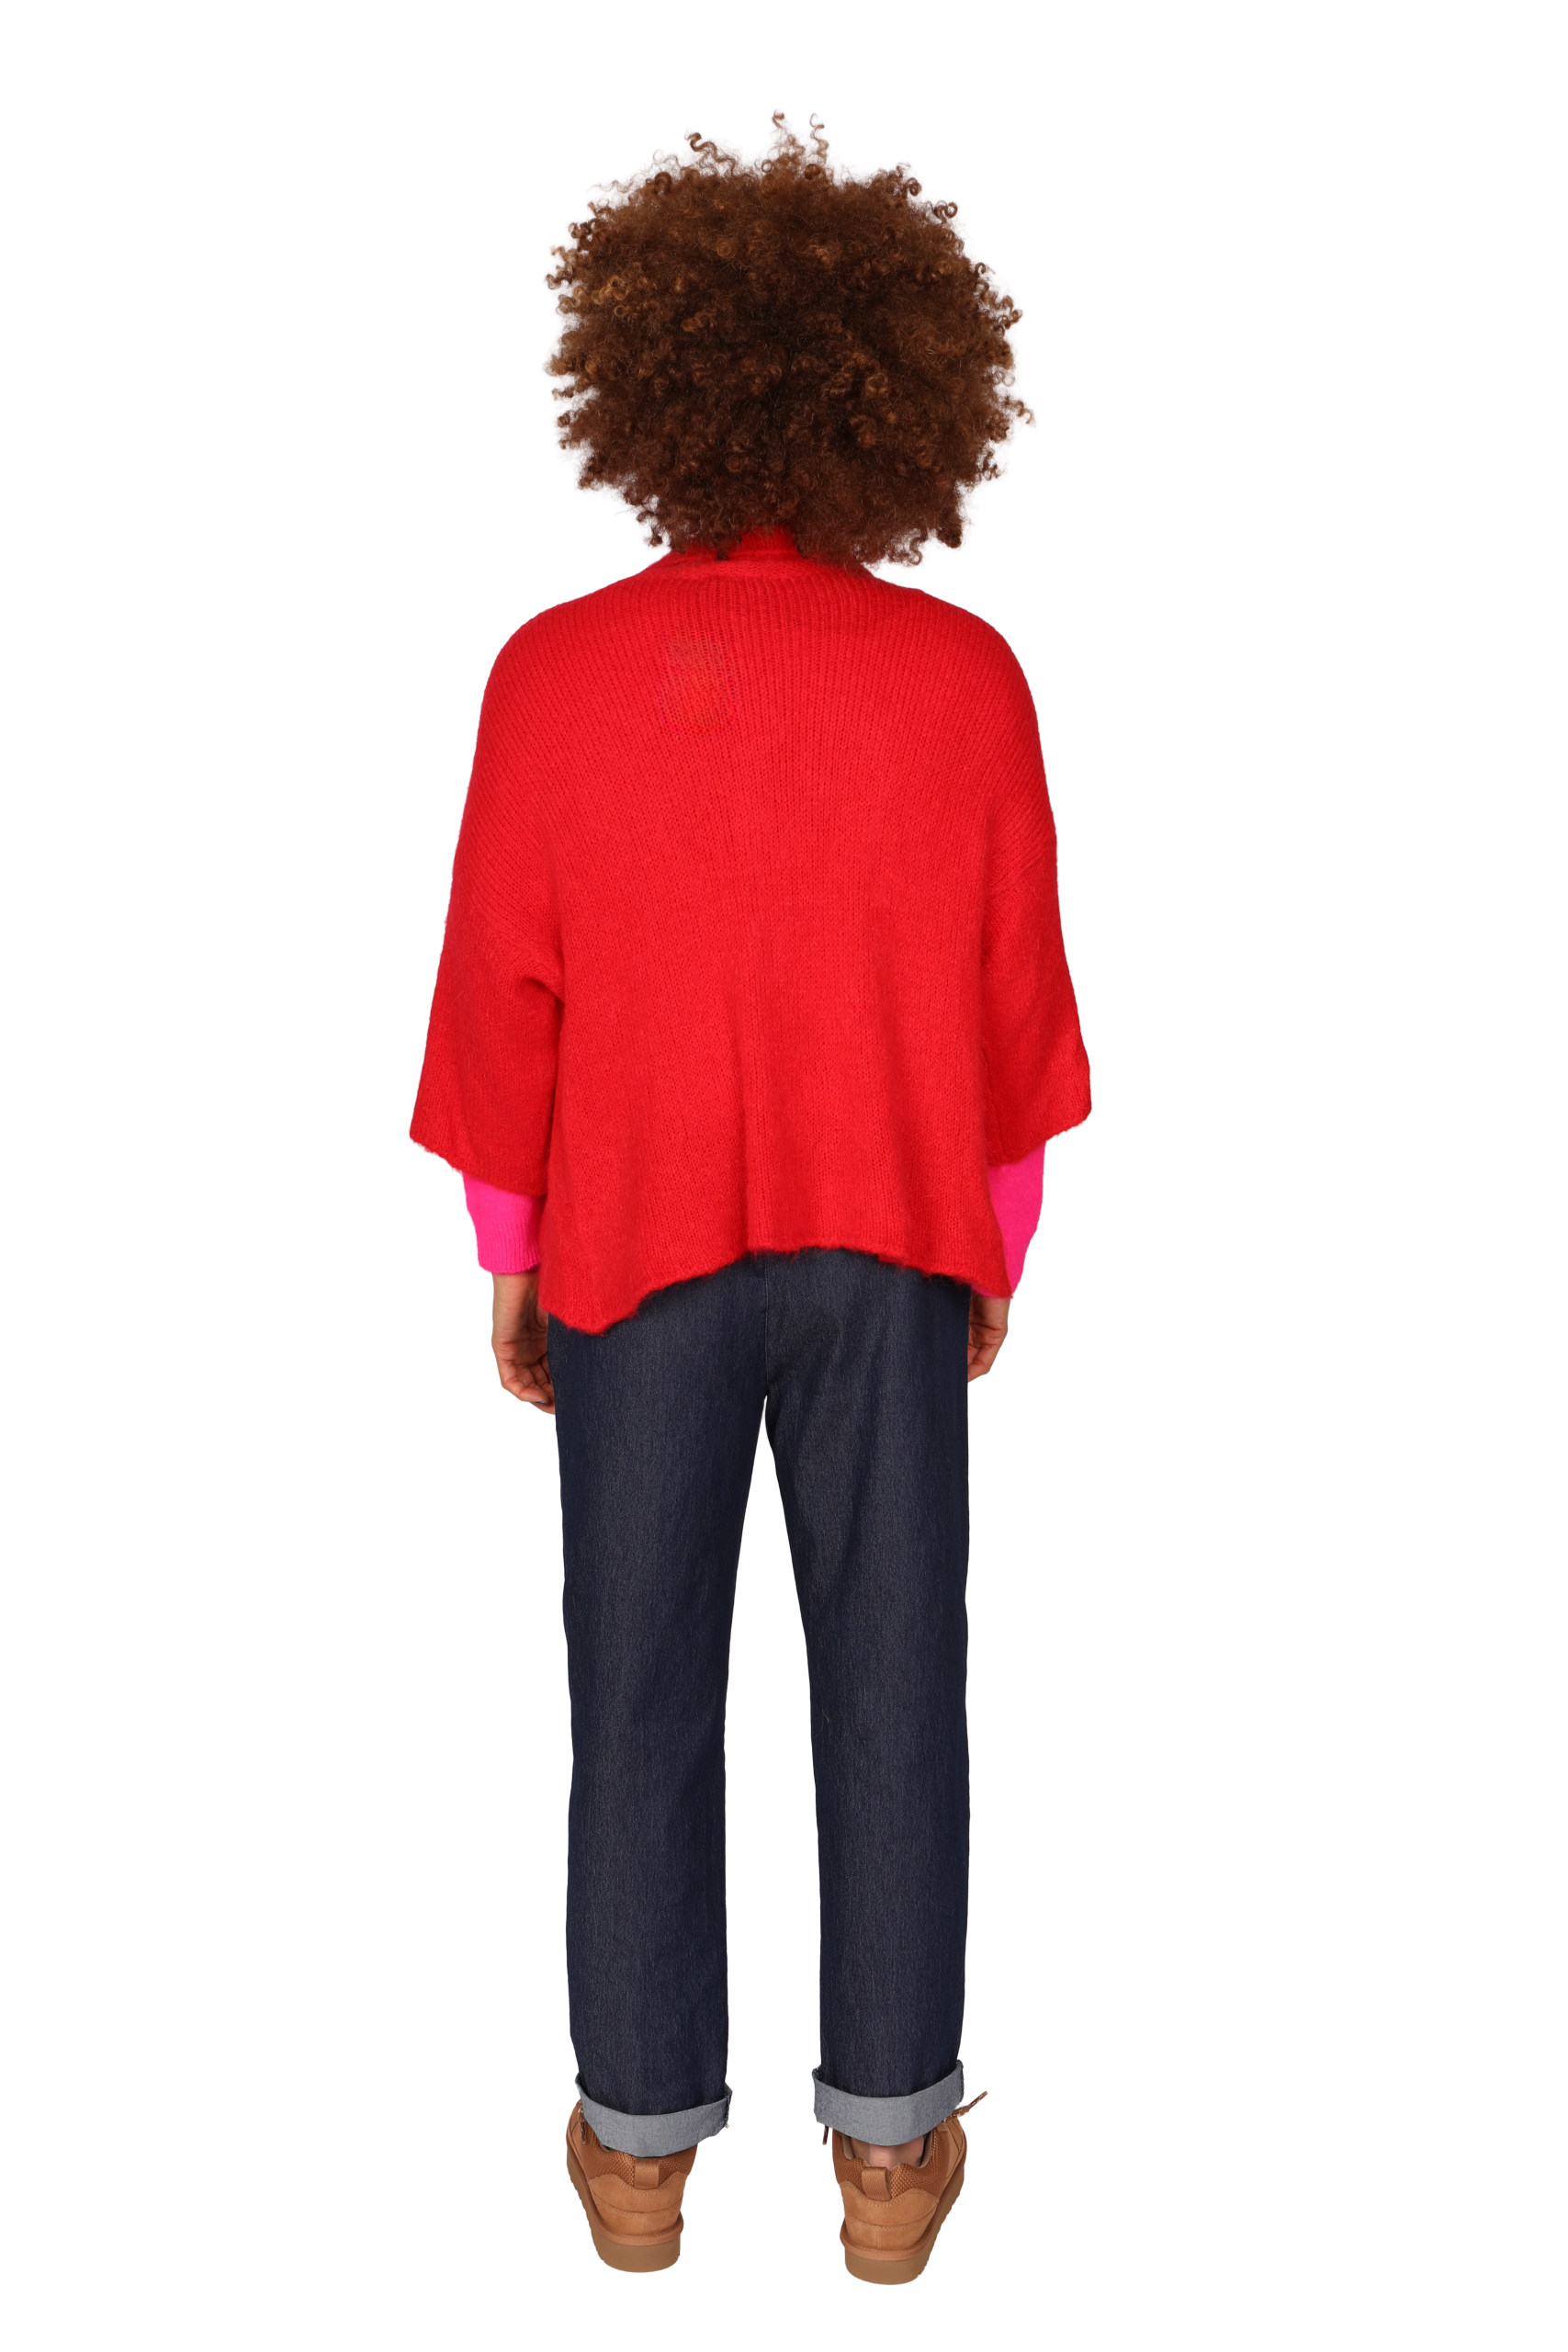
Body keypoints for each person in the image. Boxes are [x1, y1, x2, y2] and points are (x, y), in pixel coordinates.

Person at [411, 117, 1090, 2283]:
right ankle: (889, 2147)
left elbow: (499, 993)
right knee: (896, 1681)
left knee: (635, 1693)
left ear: (651, 388)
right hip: (887, 1242)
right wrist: (986, 1246)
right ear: (896, 392)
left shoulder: (550, 674)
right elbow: (1012, 996)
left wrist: (513, 1260)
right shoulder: (963, 679)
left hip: (632, 1251)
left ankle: (636, 2153)